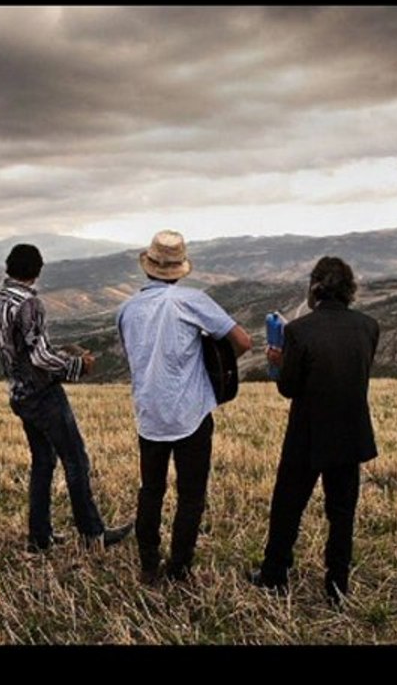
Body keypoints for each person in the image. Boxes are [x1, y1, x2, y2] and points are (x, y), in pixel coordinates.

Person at [117, 230, 252, 584]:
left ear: (148, 267)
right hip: (190, 412)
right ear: (180, 269)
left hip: (148, 414)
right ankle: (179, 568)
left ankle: (148, 564)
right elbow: (242, 341)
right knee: (190, 495)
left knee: (151, 490)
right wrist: (216, 361)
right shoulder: (191, 301)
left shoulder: (126, 309)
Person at [249, 256, 379, 605]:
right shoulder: (369, 326)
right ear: (349, 289)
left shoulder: (298, 331)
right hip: (351, 432)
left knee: (288, 506)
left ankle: (274, 574)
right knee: (342, 512)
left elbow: (289, 388)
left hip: (307, 433)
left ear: (315, 287)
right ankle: (337, 585)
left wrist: (277, 363)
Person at [0, 244, 133, 553]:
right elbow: (39, 357)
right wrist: (77, 365)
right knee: (75, 460)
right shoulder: (29, 304)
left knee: (43, 461)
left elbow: (17, 351)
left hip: (18, 393)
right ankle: (93, 533)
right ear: (37, 270)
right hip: (42, 394)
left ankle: (40, 536)